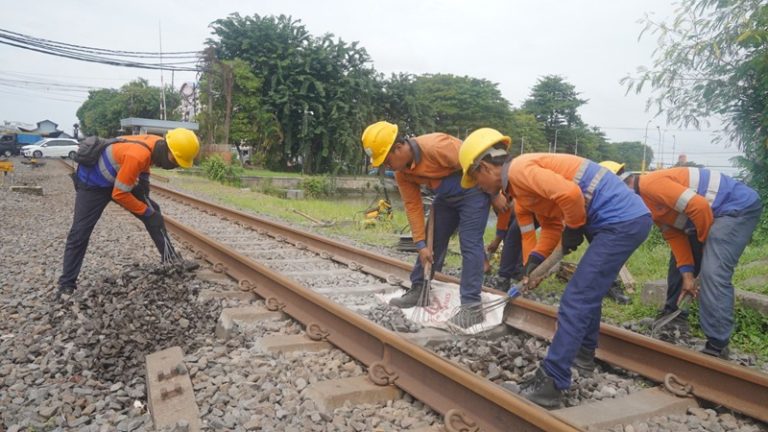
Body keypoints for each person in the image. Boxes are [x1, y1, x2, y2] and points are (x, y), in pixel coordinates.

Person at [459, 128, 651, 408]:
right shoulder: (519, 186)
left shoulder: (520, 170)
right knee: (589, 293)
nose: (478, 186)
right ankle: (583, 356)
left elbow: (570, 195)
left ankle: (551, 383)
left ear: (486, 167)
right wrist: (536, 260)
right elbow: (550, 225)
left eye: (475, 177)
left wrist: (573, 228)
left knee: (576, 298)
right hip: (625, 220)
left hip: (619, 222)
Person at [621, 167, 762, 358]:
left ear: (626, 187)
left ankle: (718, 344)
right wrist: (688, 275)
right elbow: (675, 236)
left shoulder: (650, 184)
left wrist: (704, 246)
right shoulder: (647, 205)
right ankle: (675, 317)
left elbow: (700, 206)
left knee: (713, 271)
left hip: (736, 208)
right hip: (706, 214)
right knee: (678, 264)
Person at [361, 121, 490, 328]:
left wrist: (496, 193)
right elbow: (413, 206)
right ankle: (419, 288)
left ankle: (472, 307)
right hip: (445, 198)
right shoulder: (401, 172)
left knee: (470, 242)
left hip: (473, 191)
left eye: (387, 160)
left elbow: (479, 164)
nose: (387, 166)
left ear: (399, 147)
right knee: (433, 242)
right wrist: (420, 244)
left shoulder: (438, 147)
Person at [57, 128, 200, 299]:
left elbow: (145, 166)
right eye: (175, 160)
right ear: (168, 149)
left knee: (155, 213)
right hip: (93, 184)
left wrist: (145, 192)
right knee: (79, 233)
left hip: (119, 176)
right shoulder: (137, 155)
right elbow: (120, 194)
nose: (174, 164)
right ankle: (66, 285)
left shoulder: (155, 143)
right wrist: (145, 211)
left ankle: (171, 260)